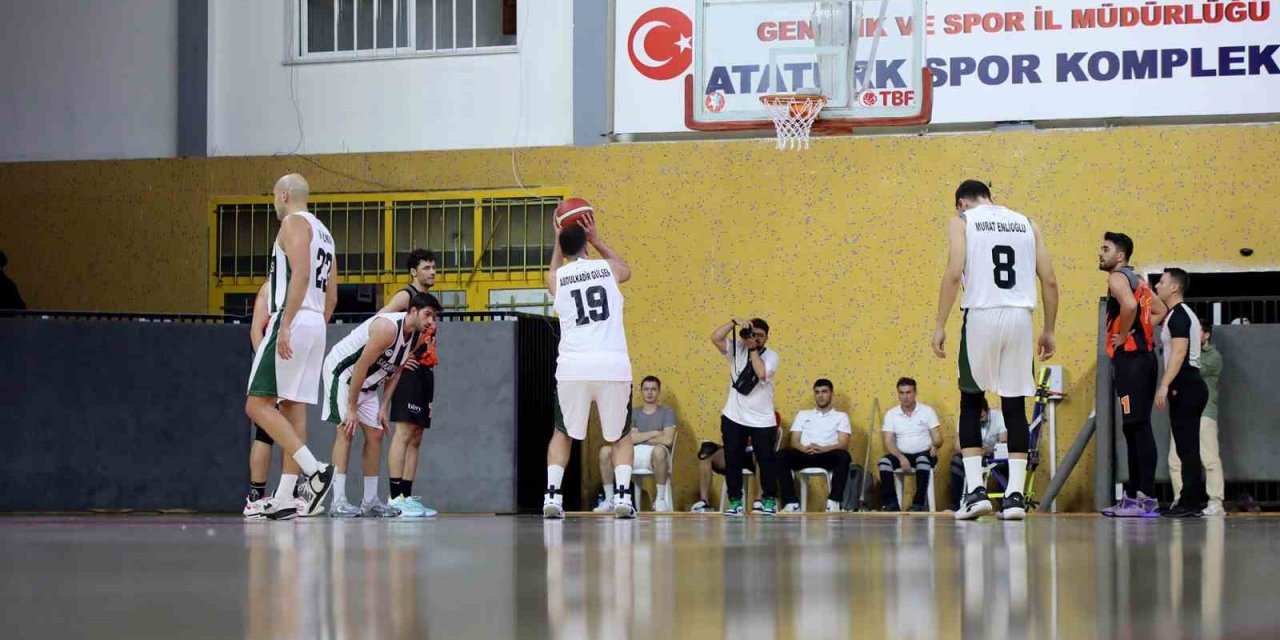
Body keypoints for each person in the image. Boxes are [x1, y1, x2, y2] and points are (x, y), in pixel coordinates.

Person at [932, 180, 1059, 521]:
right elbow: (1049, 280)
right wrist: (1048, 329)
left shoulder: (962, 221)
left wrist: (940, 323)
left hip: (982, 315)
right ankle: (1015, 497)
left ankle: (975, 493)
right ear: (989, 197)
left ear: (961, 202)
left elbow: (954, 273)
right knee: (1015, 405)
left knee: (971, 402)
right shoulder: (1027, 222)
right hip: (1020, 317)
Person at [244, 173, 337, 520]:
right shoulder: (325, 233)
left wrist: (285, 325)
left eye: (273, 196)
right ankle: (284, 497)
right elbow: (332, 294)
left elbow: (299, 275)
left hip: (293, 316)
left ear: (283, 195)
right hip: (315, 322)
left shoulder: (293, 224)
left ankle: (314, 470)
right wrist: (316, 326)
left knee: (256, 405)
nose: (273, 203)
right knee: (293, 408)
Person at [542, 212, 635, 519]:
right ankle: (622, 497)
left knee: (562, 432)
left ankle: (552, 497)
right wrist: (597, 239)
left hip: (573, 367)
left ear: (562, 245)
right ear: (586, 245)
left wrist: (559, 244)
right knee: (619, 436)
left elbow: (551, 273)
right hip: (612, 365)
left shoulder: (559, 278)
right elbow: (627, 270)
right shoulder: (606, 269)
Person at [323, 292, 442, 518]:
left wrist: (384, 407)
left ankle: (370, 501)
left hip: (367, 383)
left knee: (376, 434)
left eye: (434, 317)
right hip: (342, 374)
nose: (431, 322)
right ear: (413, 311)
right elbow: (359, 366)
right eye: (427, 315)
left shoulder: (416, 337)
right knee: (345, 431)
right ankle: (337, 501)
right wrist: (350, 408)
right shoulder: (387, 328)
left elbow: (396, 369)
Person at [1098, 232, 1167, 517]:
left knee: (1137, 426)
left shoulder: (1117, 278)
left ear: (1121, 256)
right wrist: (1140, 327)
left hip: (1132, 362)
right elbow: (1160, 310)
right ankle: (1134, 497)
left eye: (1106, 249)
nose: (1100, 253)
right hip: (1146, 360)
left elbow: (1128, 306)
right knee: (1134, 426)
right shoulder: (1138, 280)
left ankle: (1146, 498)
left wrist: (1125, 333)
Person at [381, 248, 440, 518]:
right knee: (403, 434)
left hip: (425, 372)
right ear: (413, 271)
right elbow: (380, 321)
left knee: (416, 438)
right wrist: (398, 360)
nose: (432, 272)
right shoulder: (406, 296)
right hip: (407, 373)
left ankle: (406, 497)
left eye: (434, 268)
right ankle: (394, 498)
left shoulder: (428, 301)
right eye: (426, 268)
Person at [1154, 268, 1211, 518]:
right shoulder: (1176, 314)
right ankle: (1188, 500)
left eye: (1162, 282)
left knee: (1187, 449)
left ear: (1174, 288)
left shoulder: (1179, 315)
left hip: (1186, 384)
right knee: (1185, 448)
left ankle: (1191, 503)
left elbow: (1179, 352)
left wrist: (1164, 384)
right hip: (1188, 384)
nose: (1157, 285)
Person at [710, 317, 781, 516]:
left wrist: (752, 349)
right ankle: (735, 501)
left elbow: (761, 374)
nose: (755, 339)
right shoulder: (736, 349)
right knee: (732, 459)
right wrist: (733, 323)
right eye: (752, 334)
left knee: (766, 460)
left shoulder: (771, 356)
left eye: (760, 336)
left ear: (766, 338)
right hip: (734, 416)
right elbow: (715, 338)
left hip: (762, 419)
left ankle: (768, 500)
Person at [1168, 322, 1225, 516]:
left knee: (1209, 458)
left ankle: (1216, 502)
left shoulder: (1213, 357)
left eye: (1197, 331)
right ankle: (1180, 499)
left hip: (1205, 414)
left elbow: (1191, 371)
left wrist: (1180, 354)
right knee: (1175, 460)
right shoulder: (1185, 355)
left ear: (1206, 335)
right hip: (1183, 412)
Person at [596, 376, 676, 512]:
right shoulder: (633, 413)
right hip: (631, 455)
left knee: (659, 451)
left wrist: (640, 436)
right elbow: (628, 439)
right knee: (605, 451)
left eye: (653, 389)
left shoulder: (667, 413)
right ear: (641, 391)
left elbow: (668, 440)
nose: (649, 392)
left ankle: (660, 499)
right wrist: (655, 433)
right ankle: (609, 499)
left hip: (655, 456)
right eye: (646, 389)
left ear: (658, 391)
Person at [779, 379, 852, 513]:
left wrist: (823, 448)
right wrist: (803, 448)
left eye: (824, 392)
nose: (820, 395)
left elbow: (843, 444)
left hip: (827, 455)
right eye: (817, 392)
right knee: (781, 455)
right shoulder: (803, 414)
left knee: (844, 456)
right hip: (804, 454)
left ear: (831, 394)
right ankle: (791, 502)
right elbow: (794, 440)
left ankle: (834, 502)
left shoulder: (841, 416)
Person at [878, 378, 942, 512]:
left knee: (922, 460)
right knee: (884, 462)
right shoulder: (891, 414)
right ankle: (892, 504)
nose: (905, 397)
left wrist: (935, 445)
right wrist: (901, 458)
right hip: (901, 454)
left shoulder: (927, 411)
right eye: (901, 393)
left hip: (924, 453)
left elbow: (938, 437)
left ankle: (918, 504)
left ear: (915, 392)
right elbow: (888, 440)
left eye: (908, 392)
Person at [948, 398, 1007, 511]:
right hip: (972, 453)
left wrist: (987, 450)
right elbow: (957, 446)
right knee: (956, 460)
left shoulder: (999, 417)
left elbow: (1004, 444)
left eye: (981, 416)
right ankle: (956, 504)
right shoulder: (964, 419)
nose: (979, 420)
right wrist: (973, 451)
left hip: (992, 454)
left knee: (1006, 464)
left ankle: (1006, 504)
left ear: (987, 410)